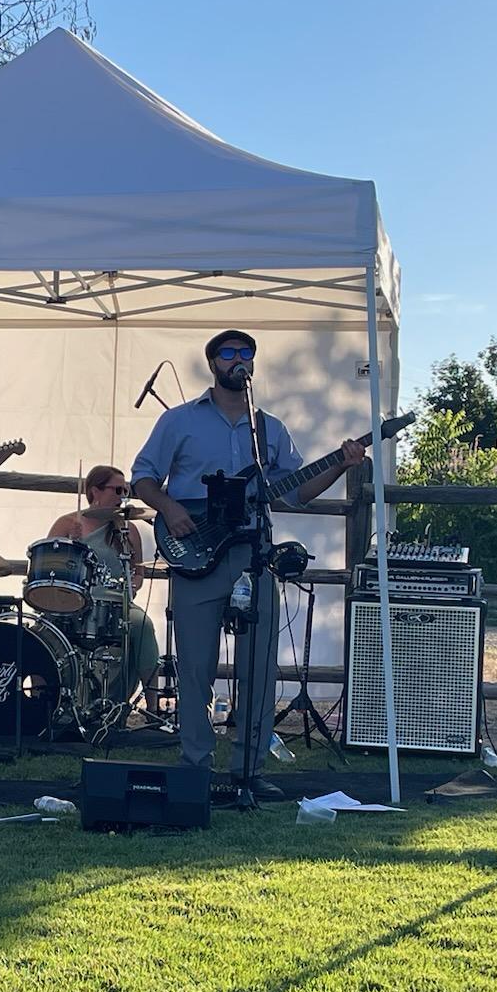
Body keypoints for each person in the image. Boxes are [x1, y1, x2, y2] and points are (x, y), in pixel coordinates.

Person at [132, 329, 365, 798]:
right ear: (213, 363)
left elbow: (295, 491)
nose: (238, 359)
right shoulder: (179, 421)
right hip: (195, 553)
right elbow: (143, 477)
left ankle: (249, 770)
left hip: (253, 555)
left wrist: (341, 464)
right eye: (228, 353)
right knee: (195, 668)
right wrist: (171, 509)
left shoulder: (270, 429)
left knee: (259, 667)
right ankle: (195, 767)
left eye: (246, 353)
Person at [45, 465, 161, 714]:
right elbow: (49, 567)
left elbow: (138, 572)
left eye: (126, 491)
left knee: (142, 624)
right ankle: (45, 702)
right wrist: (70, 544)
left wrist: (133, 584)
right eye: (117, 490)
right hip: (73, 601)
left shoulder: (128, 530)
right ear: (95, 491)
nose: (122, 496)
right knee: (42, 631)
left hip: (116, 602)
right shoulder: (67, 524)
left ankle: (153, 707)